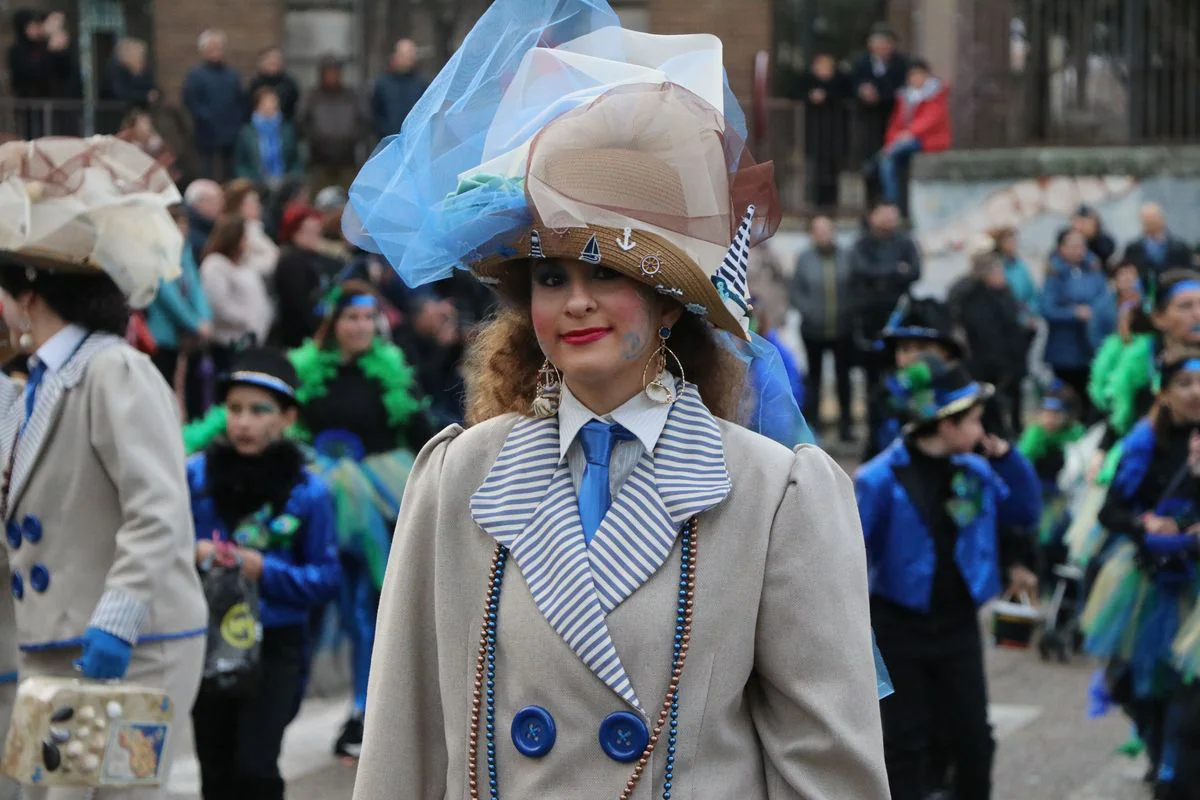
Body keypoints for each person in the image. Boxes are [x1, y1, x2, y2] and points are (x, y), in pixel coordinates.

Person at [346, 4, 888, 797]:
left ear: (669, 303)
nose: (575, 304)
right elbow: (405, 738)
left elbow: (827, 768)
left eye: (609, 274)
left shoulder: (775, 494)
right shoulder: (459, 475)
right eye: (551, 278)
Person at [0, 135, 207, 799]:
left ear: (28, 292)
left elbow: (159, 507)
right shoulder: (29, 381)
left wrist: (116, 619)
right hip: (54, 644)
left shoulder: (113, 369)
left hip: (132, 643)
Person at [857, 353, 1040, 800]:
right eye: (974, 421)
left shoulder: (975, 470)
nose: (981, 430)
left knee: (973, 740)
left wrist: (1008, 458)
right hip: (899, 627)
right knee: (904, 743)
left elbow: (1024, 510)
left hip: (957, 625)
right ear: (945, 424)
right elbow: (851, 552)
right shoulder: (879, 478)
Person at [188, 348, 340, 799]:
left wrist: (264, 570)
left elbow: (326, 578)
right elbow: (162, 545)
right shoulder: (196, 477)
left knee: (255, 768)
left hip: (275, 643)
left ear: (288, 417)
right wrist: (192, 553)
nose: (244, 422)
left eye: (260, 410)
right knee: (215, 771)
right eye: (234, 409)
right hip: (208, 637)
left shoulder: (309, 491)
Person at [1082, 348, 1200, 797]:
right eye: (1183, 384)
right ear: (1164, 394)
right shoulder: (1145, 441)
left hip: (1196, 585)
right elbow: (1110, 511)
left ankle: (1177, 770)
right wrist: (1143, 524)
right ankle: (1159, 755)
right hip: (1149, 583)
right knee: (1140, 685)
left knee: (1187, 695)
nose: (1195, 392)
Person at [864, 296, 963, 461]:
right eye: (904, 349)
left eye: (921, 348)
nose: (910, 357)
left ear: (945, 352)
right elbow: (875, 448)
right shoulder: (886, 392)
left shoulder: (962, 391)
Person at [145, 204, 214, 420]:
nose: (181, 228)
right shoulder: (156, 251)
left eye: (184, 223)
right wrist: (194, 323)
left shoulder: (184, 251)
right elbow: (166, 293)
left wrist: (205, 319)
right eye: (176, 222)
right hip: (159, 335)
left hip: (182, 337)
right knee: (159, 389)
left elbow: (195, 287)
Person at [948, 251, 1027, 439]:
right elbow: (986, 335)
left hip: (1010, 361)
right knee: (991, 413)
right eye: (998, 271)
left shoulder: (1003, 293)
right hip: (987, 365)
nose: (1002, 275)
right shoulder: (973, 298)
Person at [791, 215, 854, 441]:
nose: (823, 235)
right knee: (814, 379)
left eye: (826, 230)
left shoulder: (846, 257)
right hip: (813, 330)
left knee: (843, 378)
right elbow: (795, 290)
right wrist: (808, 311)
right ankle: (812, 426)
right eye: (817, 231)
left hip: (842, 329)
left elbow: (855, 288)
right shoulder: (805, 259)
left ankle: (847, 427)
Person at [849, 202, 922, 390]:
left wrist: (881, 276)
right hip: (870, 318)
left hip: (900, 316)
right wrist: (896, 270)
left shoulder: (905, 241)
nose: (889, 219)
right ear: (872, 216)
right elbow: (860, 271)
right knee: (873, 373)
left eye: (893, 214)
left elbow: (915, 271)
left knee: (901, 368)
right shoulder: (862, 243)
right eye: (884, 214)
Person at [1042, 229, 1109, 419]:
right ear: (1061, 248)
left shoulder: (1094, 270)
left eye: (1081, 245)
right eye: (1072, 246)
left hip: (1092, 345)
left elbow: (1104, 299)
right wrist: (1073, 313)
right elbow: (1047, 309)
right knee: (1068, 401)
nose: (1078, 250)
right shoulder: (1054, 274)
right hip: (1065, 349)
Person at [199, 213, 274, 375]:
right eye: (244, 238)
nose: (247, 242)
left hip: (251, 341)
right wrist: (247, 320)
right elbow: (218, 304)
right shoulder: (215, 265)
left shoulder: (246, 264)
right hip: (228, 342)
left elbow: (271, 257)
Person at [875, 59, 950, 209]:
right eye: (912, 76)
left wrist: (907, 134)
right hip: (908, 139)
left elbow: (931, 119)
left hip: (928, 140)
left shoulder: (936, 94)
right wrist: (892, 141)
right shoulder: (905, 96)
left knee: (889, 156)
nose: (915, 79)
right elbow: (896, 122)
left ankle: (892, 204)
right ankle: (892, 203)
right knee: (887, 160)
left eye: (919, 75)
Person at [851, 24, 909, 204]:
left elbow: (902, 89)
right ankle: (872, 202)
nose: (881, 48)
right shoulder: (861, 62)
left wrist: (880, 95)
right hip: (867, 120)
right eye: (877, 44)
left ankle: (893, 203)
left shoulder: (901, 63)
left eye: (885, 44)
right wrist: (862, 92)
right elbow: (851, 84)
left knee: (891, 161)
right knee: (870, 162)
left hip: (892, 119)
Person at [272, 205, 345, 348]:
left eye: (317, 231)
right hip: (299, 337)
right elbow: (298, 304)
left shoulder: (312, 257)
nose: (315, 236)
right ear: (294, 232)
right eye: (309, 232)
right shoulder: (291, 261)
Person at [183, 29, 245, 181]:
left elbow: (240, 99)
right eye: (211, 48)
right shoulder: (196, 75)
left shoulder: (231, 74)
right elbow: (191, 100)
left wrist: (236, 121)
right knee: (206, 172)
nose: (215, 52)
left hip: (230, 131)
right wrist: (207, 118)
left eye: (218, 47)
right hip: (206, 132)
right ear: (203, 51)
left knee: (230, 172)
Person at [793, 52, 851, 210]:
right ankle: (812, 201)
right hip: (813, 132)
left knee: (832, 168)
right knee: (813, 167)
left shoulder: (840, 81)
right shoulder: (806, 81)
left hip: (835, 132)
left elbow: (846, 95)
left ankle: (831, 203)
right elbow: (795, 94)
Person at [301, 56, 366, 192]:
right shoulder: (312, 97)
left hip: (347, 160)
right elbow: (302, 122)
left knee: (347, 202)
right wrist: (315, 140)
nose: (332, 76)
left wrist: (352, 139)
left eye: (335, 72)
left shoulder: (351, 97)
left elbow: (363, 121)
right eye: (328, 72)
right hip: (319, 161)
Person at [234, 87, 303, 188]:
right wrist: (249, 180)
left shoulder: (287, 130)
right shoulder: (246, 132)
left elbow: (295, 160)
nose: (269, 106)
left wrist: (292, 177)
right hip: (256, 184)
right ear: (257, 106)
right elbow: (240, 163)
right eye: (265, 103)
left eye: (273, 103)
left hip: (285, 184)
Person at [1123, 202, 1194, 287]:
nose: (1150, 222)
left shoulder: (1180, 248)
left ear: (1162, 219)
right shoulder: (1133, 249)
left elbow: (1189, 273)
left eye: (1153, 218)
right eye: (1146, 219)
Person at [370, 38, 427, 141]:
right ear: (395, 56)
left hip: (414, 142)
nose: (407, 60)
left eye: (410, 56)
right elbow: (375, 114)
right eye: (404, 55)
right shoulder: (382, 84)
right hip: (389, 143)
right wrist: (384, 133)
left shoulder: (421, 85)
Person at [223, 178, 280, 280]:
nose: (258, 206)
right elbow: (245, 266)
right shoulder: (238, 233)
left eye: (258, 202)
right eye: (253, 202)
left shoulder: (257, 228)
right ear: (238, 206)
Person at [102, 37, 158, 113]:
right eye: (140, 56)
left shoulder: (143, 72)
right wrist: (145, 97)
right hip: (116, 114)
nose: (142, 60)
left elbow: (152, 88)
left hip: (138, 113)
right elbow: (121, 93)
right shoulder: (117, 72)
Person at [245, 47, 301, 124]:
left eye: (276, 60)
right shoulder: (255, 84)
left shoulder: (290, 84)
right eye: (269, 59)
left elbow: (296, 108)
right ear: (262, 62)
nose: (273, 62)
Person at [183, 179, 225, 263]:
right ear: (197, 203)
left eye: (221, 200)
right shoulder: (189, 230)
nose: (220, 205)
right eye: (214, 200)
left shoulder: (215, 225)